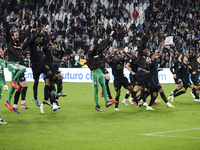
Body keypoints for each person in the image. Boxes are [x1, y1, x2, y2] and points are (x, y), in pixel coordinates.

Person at [5, 16, 33, 112]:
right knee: (23, 68)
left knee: (14, 88)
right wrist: (7, 22)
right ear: (12, 37)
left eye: (17, 34)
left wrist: (30, 26)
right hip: (11, 64)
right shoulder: (9, 42)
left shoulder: (19, 42)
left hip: (16, 64)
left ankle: (8, 102)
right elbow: (7, 32)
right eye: (16, 35)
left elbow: (26, 35)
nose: (17, 36)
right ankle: (13, 80)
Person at [29, 27, 60, 109]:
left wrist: (46, 33)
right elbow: (32, 39)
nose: (39, 41)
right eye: (38, 39)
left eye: (40, 40)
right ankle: (35, 98)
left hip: (41, 64)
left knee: (49, 74)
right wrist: (33, 32)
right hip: (35, 65)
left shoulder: (39, 44)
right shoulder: (32, 44)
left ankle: (53, 90)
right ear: (35, 39)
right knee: (36, 82)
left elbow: (46, 41)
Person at [87, 33, 116, 112]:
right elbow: (97, 47)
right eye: (91, 47)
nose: (93, 47)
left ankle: (107, 102)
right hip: (94, 73)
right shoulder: (90, 54)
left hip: (99, 71)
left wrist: (109, 40)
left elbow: (103, 46)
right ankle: (97, 105)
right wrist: (98, 43)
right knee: (96, 89)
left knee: (104, 86)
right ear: (89, 49)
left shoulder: (96, 52)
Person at [0, 48, 8, 124]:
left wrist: (5, 84)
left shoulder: (2, 62)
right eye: (1, 51)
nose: (2, 52)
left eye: (2, 51)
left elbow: (2, 74)